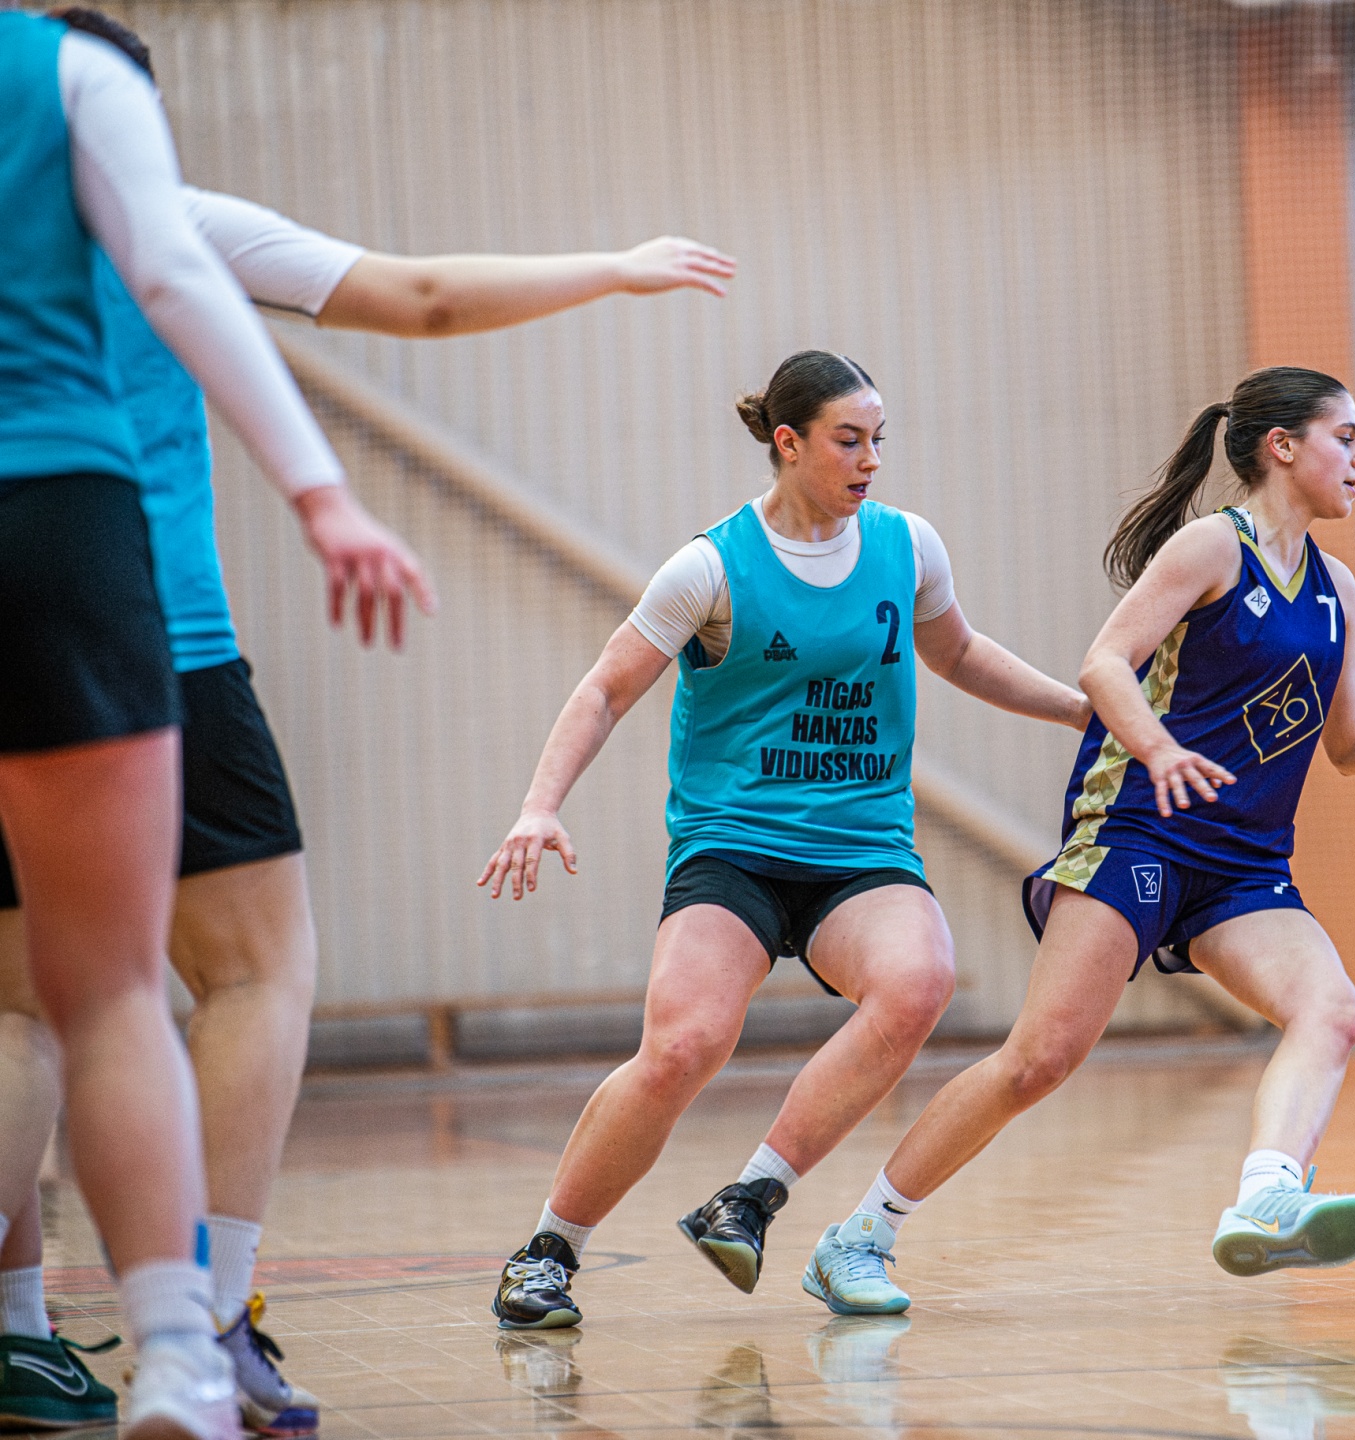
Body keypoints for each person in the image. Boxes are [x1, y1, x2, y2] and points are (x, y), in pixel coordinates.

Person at [0, 10, 740, 1434]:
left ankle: (20, 1332)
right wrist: (613, 266)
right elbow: (421, 293)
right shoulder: (151, 190)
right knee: (245, 970)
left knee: (17, 999)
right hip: (133, 621)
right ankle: (207, 1326)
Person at [796, 366, 1355, 1315]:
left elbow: (1349, 746)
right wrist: (1155, 747)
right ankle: (858, 1237)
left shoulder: (1337, 589)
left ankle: (1268, 1195)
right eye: (1346, 436)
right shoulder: (1212, 547)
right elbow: (1104, 663)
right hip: (1141, 829)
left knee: (1333, 1012)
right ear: (1283, 446)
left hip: (1244, 862)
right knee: (1039, 1060)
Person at [0, 12, 433, 1440]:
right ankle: (190, 1349)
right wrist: (323, 494)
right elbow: (209, 273)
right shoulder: (66, 77)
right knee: (124, 991)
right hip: (74, 548)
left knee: (11, 1005)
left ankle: (32, 1330)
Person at [477, 349, 1089, 1330]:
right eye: (850, 440)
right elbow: (605, 689)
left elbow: (961, 653)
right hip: (735, 844)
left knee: (920, 981)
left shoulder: (907, 547)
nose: (871, 459)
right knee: (683, 1046)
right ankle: (546, 1252)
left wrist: (1080, 712)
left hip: (862, 848)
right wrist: (538, 804)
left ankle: (751, 1197)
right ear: (789, 442)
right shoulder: (711, 567)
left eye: (879, 439)